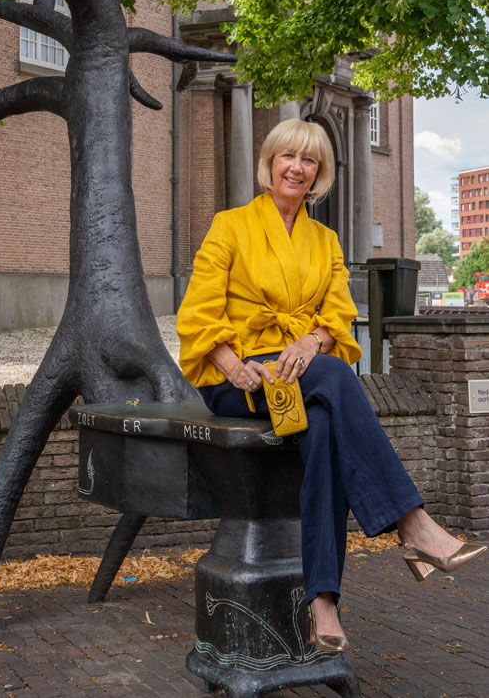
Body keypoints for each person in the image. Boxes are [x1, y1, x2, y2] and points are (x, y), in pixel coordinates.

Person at [177, 117, 485, 653]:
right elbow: (196, 312)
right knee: (338, 376)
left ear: (319, 173)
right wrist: (236, 365)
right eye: (288, 156)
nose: (297, 167)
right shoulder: (229, 226)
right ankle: (411, 524)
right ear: (270, 162)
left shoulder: (326, 240)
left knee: (322, 425)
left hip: (304, 374)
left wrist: (310, 343)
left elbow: (338, 317)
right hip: (242, 377)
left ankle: (322, 604)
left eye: (310, 160)